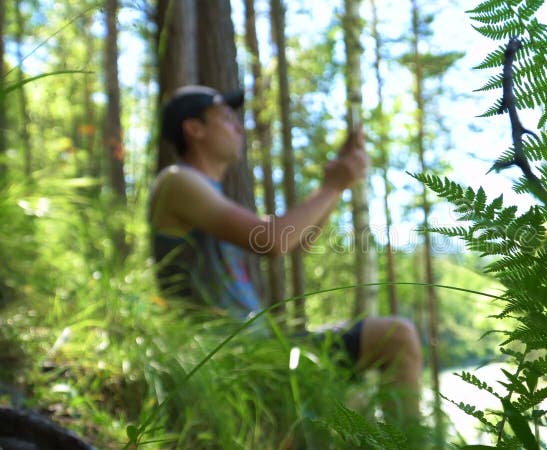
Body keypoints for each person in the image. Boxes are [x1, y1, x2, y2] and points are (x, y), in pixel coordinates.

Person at [149, 85, 422, 422]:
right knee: (396, 337)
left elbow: (300, 240)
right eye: (225, 118)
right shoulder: (177, 181)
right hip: (230, 357)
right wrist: (334, 185)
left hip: (261, 348)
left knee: (396, 338)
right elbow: (274, 240)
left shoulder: (207, 193)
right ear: (194, 129)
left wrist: (337, 181)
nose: (238, 127)